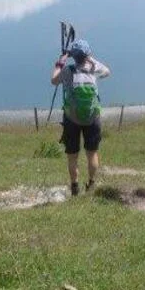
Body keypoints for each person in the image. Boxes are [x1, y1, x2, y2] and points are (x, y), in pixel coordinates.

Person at [50, 39, 111, 196]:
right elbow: (107, 71)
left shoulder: (68, 71)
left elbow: (54, 81)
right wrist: (90, 59)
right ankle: (91, 184)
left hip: (72, 118)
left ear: (73, 57)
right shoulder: (94, 69)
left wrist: (60, 63)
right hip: (92, 117)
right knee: (92, 154)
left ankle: (74, 187)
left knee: (73, 156)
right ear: (87, 55)